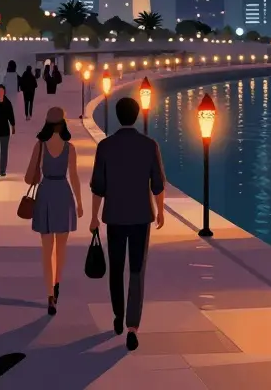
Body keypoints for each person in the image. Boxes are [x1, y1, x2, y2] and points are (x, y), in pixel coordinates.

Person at [91, 97, 167, 352]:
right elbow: (158, 183)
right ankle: (133, 326)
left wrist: (93, 216)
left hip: (114, 215)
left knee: (115, 268)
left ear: (117, 115)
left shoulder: (105, 146)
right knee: (137, 269)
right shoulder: (149, 145)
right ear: (135, 116)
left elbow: (98, 186)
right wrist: (161, 211)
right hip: (140, 216)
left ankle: (118, 316)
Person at [27, 107, 82, 316]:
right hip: (64, 194)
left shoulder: (40, 146)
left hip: (46, 193)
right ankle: (57, 284)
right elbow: (74, 177)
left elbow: (28, 176)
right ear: (64, 123)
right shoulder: (70, 148)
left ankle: (49, 293)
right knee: (61, 248)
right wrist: (80, 203)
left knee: (46, 249)